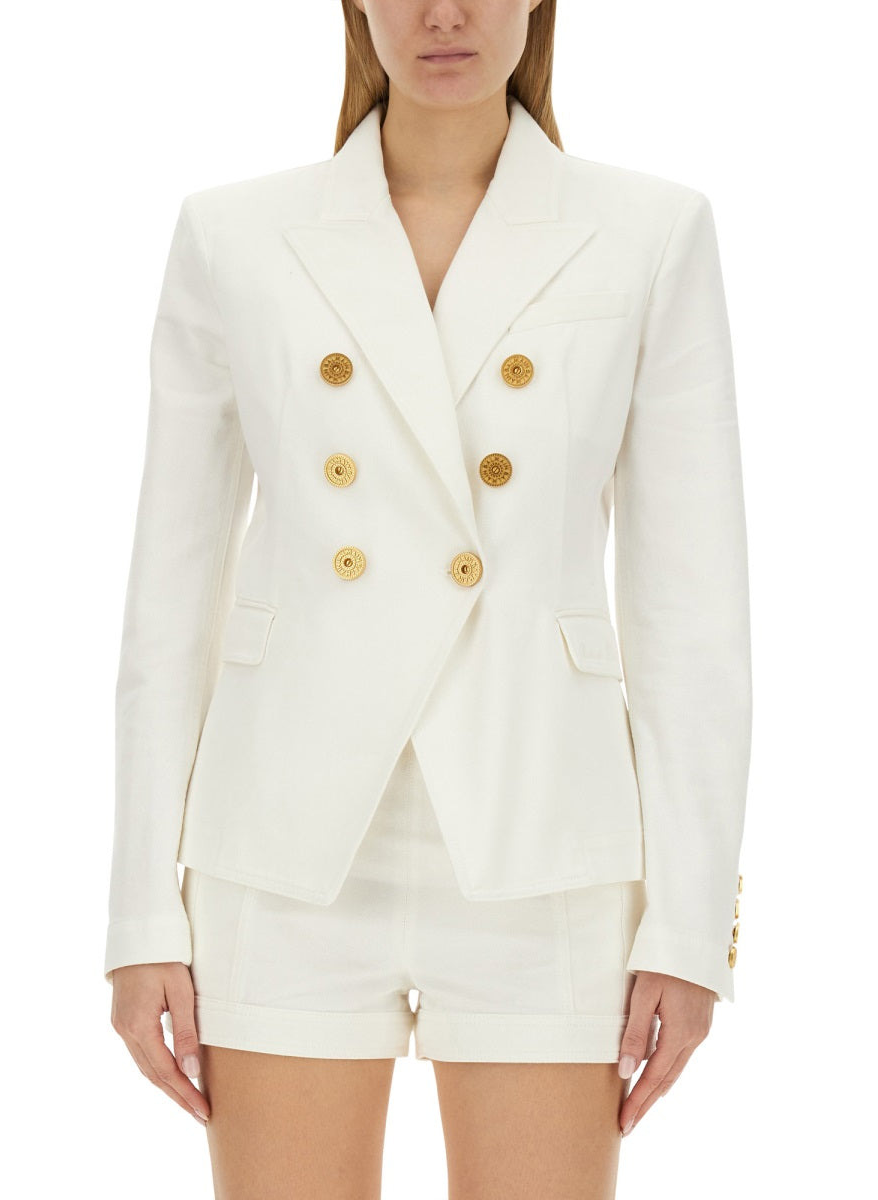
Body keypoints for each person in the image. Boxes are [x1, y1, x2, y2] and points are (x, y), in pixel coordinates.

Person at [104, 1, 752, 1196]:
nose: (442, 13)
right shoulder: (235, 234)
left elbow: (691, 612)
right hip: (285, 839)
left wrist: (689, 924)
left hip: (543, 830)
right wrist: (142, 914)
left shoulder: (649, 232)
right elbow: (169, 600)